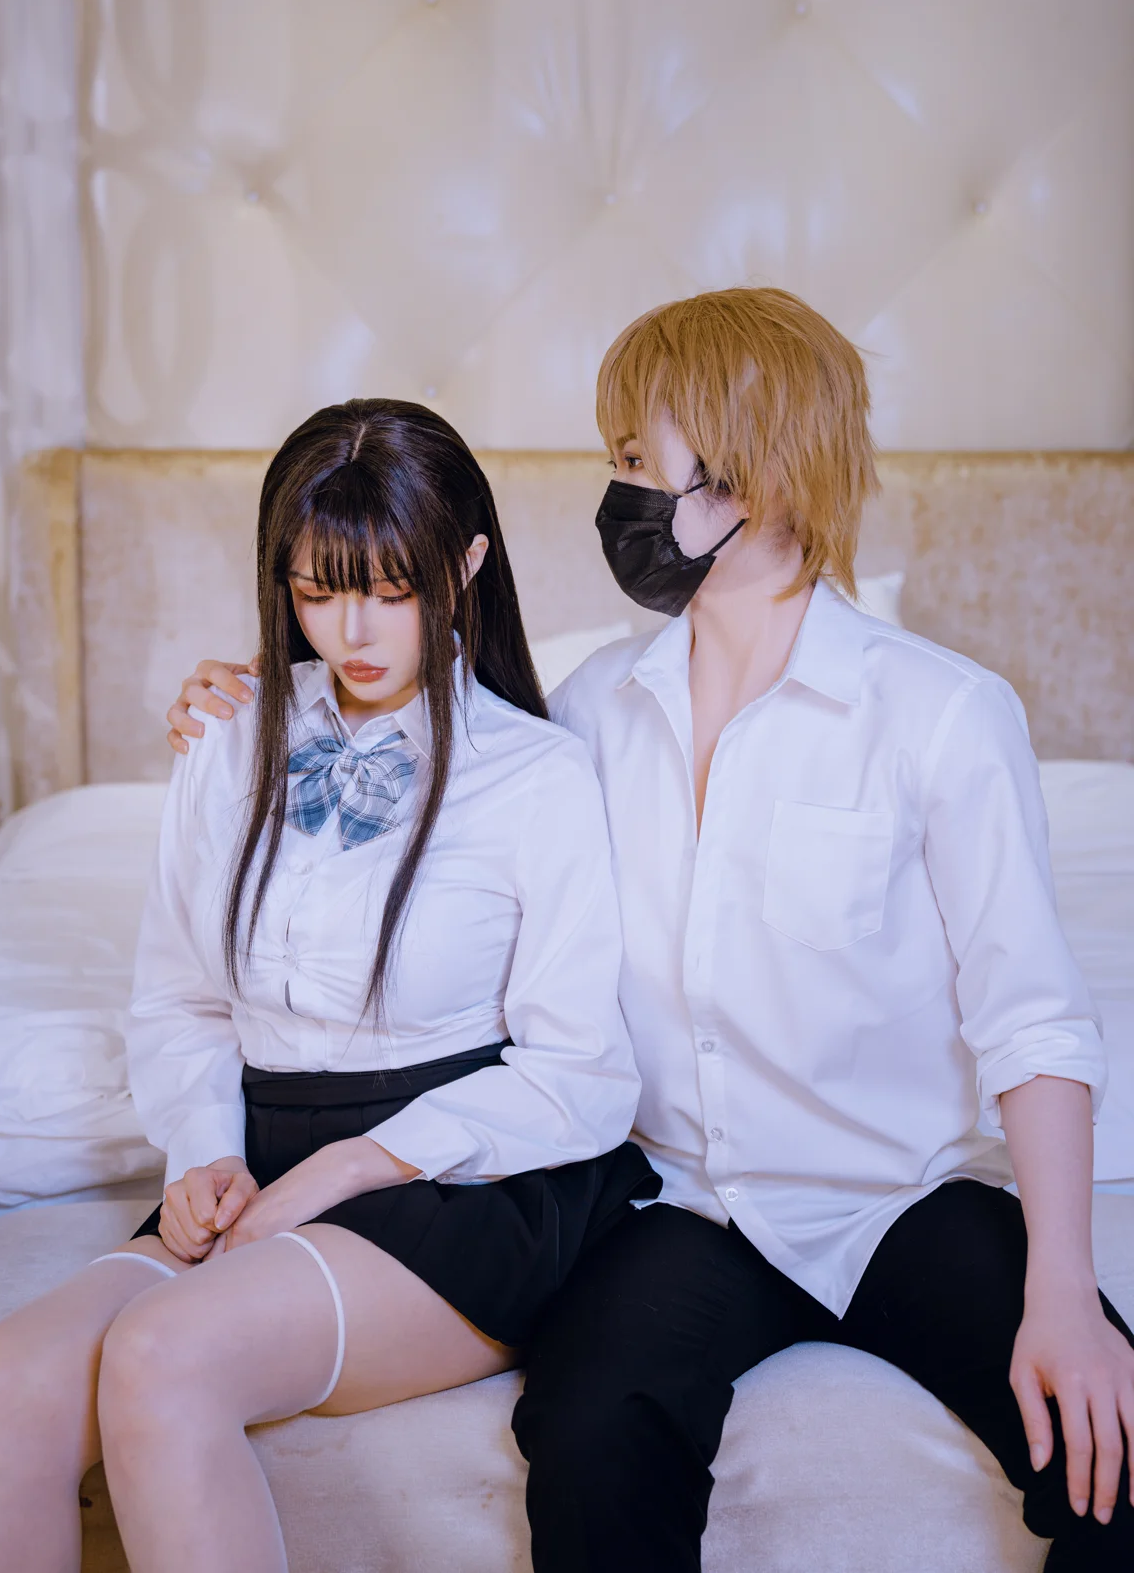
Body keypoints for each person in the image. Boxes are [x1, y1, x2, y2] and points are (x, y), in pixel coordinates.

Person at [160, 289, 1134, 1572]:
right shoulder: (588, 709)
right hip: (673, 1201)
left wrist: (1061, 1287)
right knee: (590, 1441)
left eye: (636, 458)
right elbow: (431, 773)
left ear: (754, 474)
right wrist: (254, 699)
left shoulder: (943, 714)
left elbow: (1034, 1018)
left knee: (1113, 1453)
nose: (614, 491)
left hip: (897, 1194)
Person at [0, 399, 653, 1573]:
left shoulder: (538, 775)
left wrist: (346, 1166)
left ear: (467, 563)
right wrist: (203, 1152)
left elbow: (584, 1072)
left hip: (455, 1176)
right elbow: (181, 998)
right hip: (259, 1151)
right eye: (318, 590)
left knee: (163, 1354)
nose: (350, 630)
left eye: (391, 589)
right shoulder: (227, 734)